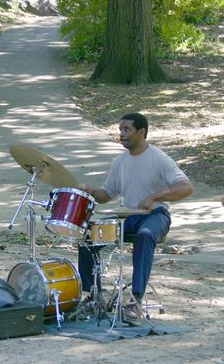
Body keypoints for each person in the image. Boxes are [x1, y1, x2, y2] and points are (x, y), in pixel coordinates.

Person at [80, 112, 194, 319]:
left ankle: (136, 301)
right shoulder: (120, 162)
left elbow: (186, 188)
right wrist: (89, 190)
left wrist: (155, 197)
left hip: (156, 215)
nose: (121, 134)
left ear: (141, 132)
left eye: (127, 130)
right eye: (120, 130)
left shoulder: (159, 158)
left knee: (145, 235)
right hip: (128, 217)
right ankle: (94, 295)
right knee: (88, 235)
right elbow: (106, 195)